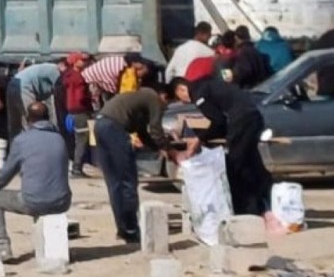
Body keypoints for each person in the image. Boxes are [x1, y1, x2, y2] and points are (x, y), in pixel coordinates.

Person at [172, 76, 274, 220]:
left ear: (181, 89)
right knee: (252, 162)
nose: (183, 101)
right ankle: (267, 203)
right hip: (254, 117)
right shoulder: (207, 84)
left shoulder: (198, 93)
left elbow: (218, 121)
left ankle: (247, 209)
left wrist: (199, 139)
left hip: (242, 121)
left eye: (180, 97)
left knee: (235, 166)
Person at [0, 102, 72, 261]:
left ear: (28, 119)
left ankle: (4, 248)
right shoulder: (59, 139)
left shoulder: (22, 140)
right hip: (62, 201)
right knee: (42, 189)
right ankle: (49, 245)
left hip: (34, 201)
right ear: (49, 118)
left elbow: (7, 172)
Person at [94, 84, 168, 245]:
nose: (164, 108)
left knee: (115, 183)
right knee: (128, 182)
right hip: (114, 128)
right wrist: (166, 148)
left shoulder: (137, 99)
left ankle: (123, 228)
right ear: (164, 96)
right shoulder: (153, 98)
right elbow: (156, 129)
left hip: (100, 124)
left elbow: (142, 132)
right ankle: (130, 229)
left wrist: (156, 147)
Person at [56, 53, 94, 176]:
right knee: (82, 140)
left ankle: (75, 165)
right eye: (82, 60)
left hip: (70, 112)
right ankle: (77, 168)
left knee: (76, 139)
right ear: (75, 62)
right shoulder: (78, 78)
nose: (85, 62)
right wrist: (89, 99)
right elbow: (80, 97)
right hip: (80, 112)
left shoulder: (66, 76)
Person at [6, 59, 60, 141]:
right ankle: (32, 144)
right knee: (32, 120)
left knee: (15, 124)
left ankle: (15, 147)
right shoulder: (56, 71)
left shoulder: (48, 68)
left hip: (13, 83)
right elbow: (61, 91)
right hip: (25, 87)